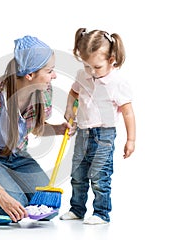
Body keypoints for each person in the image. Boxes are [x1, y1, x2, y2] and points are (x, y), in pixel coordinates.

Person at [0, 35, 74, 223]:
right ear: (29, 75)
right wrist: (0, 194)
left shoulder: (44, 91)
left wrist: (57, 129)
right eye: (49, 71)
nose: (54, 76)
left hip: (16, 156)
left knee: (48, 209)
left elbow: (33, 128)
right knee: (15, 207)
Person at [60, 28, 136, 224]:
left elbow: (128, 112)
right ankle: (77, 209)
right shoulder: (82, 75)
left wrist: (131, 139)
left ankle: (101, 213)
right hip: (83, 132)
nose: (91, 72)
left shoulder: (117, 83)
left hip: (104, 135)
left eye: (97, 67)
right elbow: (74, 93)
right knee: (78, 173)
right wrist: (69, 109)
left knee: (99, 176)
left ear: (112, 59)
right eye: (87, 66)